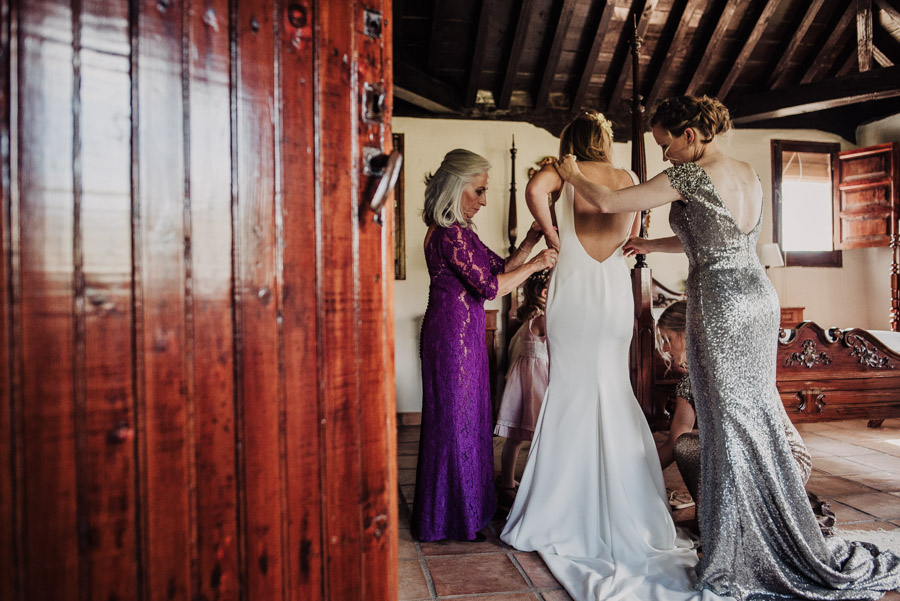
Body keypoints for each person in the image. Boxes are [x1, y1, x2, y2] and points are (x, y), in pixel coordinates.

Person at [557, 95, 900, 600]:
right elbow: (719, 239)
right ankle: (770, 533)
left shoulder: (691, 176)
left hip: (720, 306)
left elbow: (608, 203)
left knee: (725, 426)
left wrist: (571, 172)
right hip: (759, 301)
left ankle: (745, 550)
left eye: (665, 144)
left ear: (690, 135)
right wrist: (651, 247)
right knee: (750, 418)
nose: (665, 156)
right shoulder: (748, 174)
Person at [501, 111, 708, 601]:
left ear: (573, 139)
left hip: (573, 288)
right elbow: (630, 229)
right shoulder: (628, 178)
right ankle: (626, 504)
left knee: (571, 388)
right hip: (613, 289)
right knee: (612, 388)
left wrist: (552, 234)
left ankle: (563, 505)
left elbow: (534, 191)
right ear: (606, 140)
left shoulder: (564, 167)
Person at [413, 148, 557, 543]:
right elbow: (492, 288)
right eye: (478, 191)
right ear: (456, 188)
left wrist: (529, 241)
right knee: (454, 425)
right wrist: (540, 263)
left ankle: (470, 510)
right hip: (450, 338)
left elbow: (502, 268)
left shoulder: (464, 233)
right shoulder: (448, 234)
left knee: (471, 421)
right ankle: (449, 517)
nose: (483, 199)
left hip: (467, 334)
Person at [493, 270, 551, 510]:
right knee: (541, 435)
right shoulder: (543, 318)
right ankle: (535, 485)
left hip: (524, 380)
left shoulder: (531, 317)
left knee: (516, 438)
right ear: (546, 293)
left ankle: (507, 483)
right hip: (534, 381)